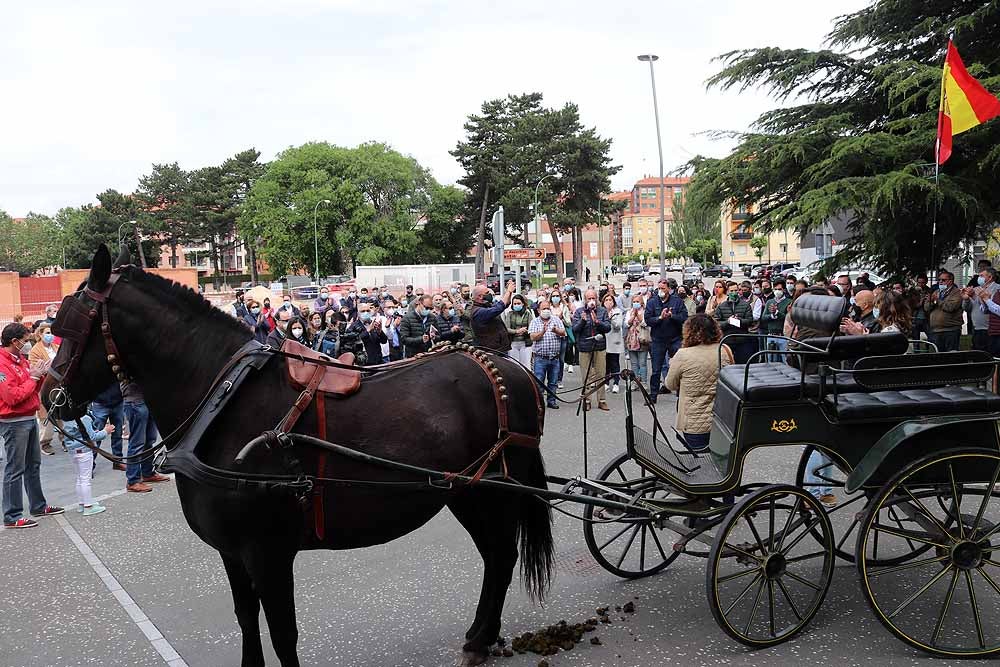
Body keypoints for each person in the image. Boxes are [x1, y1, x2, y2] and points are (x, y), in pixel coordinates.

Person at [0, 323, 63, 528]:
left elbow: (29, 387)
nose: (28, 345)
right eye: (25, 341)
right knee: (15, 469)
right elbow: (12, 396)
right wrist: (33, 378)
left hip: (28, 418)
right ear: (14, 341)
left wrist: (40, 375)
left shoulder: (21, 360)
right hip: (13, 422)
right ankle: (12, 515)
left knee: (33, 466)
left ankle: (38, 505)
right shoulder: (2, 364)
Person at [665, 314, 734, 452]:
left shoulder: (683, 355)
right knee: (719, 463)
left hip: (694, 422)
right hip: (722, 421)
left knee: (699, 464)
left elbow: (670, 384)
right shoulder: (725, 350)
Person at [61, 409, 114, 515]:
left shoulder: (66, 418)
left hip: (73, 451)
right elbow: (92, 437)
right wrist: (106, 431)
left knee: (79, 478)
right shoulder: (85, 418)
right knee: (86, 479)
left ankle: (82, 503)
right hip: (85, 451)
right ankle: (88, 506)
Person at [645, 279, 688, 404]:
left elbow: (684, 318)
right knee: (656, 369)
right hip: (658, 340)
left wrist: (671, 316)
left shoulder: (677, 301)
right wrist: (660, 317)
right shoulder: (652, 302)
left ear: (669, 289)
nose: (661, 291)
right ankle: (653, 396)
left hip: (675, 339)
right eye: (659, 288)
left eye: (663, 288)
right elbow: (648, 319)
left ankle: (681, 395)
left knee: (679, 367)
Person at [121, 380, 170, 493]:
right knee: (137, 442)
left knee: (149, 439)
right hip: (135, 401)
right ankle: (133, 481)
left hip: (145, 400)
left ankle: (148, 473)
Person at [572, 289, 612, 411]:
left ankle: (602, 400)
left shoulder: (602, 311)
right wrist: (583, 321)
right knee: (586, 375)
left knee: (600, 373)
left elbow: (607, 328)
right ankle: (587, 400)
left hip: (599, 346)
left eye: (593, 298)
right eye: (589, 299)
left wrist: (597, 322)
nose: (591, 301)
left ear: (597, 299)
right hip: (584, 347)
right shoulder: (579, 312)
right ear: (585, 300)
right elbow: (575, 329)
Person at [29, 325, 61, 455]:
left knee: (61, 412)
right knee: (46, 414)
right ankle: (45, 442)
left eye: (52, 333)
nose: (50, 335)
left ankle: (65, 438)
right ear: (40, 334)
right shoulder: (35, 350)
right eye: (47, 332)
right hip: (45, 386)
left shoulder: (56, 347)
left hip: (58, 385)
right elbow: (35, 367)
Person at [528, 299, 565, 410]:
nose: (546, 311)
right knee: (539, 381)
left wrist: (555, 330)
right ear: (538, 310)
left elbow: (563, 333)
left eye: (548, 308)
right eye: (543, 309)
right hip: (540, 358)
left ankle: (551, 401)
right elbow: (533, 337)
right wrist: (542, 332)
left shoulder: (556, 319)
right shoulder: (535, 322)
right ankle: (539, 402)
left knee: (553, 381)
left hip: (554, 357)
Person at [713, 283, 755, 364]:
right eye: (731, 291)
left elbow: (750, 321)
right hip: (727, 340)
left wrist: (738, 321)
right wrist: (727, 322)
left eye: (736, 290)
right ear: (728, 292)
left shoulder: (745, 305)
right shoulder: (721, 306)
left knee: (743, 364)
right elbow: (716, 324)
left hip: (742, 340)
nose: (734, 292)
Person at [925, 270, 963, 352]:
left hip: (951, 330)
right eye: (939, 280)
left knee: (951, 355)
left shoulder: (956, 292)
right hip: (936, 330)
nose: (940, 282)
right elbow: (926, 308)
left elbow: (951, 307)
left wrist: (937, 300)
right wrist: (931, 301)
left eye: (943, 280)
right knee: (939, 355)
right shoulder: (936, 292)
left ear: (950, 281)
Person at [470, 282, 514, 353]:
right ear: (480, 296)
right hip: (491, 351)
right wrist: (508, 291)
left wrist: (510, 292)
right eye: (487, 293)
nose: (490, 294)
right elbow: (498, 308)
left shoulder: (486, 306)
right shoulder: (478, 312)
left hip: (500, 349)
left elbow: (505, 304)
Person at [90, 382, 126, 471]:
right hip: (100, 402)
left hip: (117, 402)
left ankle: (118, 461)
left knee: (118, 434)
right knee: (96, 436)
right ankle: (90, 465)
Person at [624, 294, 650, 391]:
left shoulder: (645, 312)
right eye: (634, 302)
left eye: (637, 302)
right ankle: (634, 382)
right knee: (634, 363)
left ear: (642, 303)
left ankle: (643, 382)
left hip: (642, 339)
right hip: (631, 340)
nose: (635, 303)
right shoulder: (629, 312)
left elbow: (645, 324)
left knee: (642, 363)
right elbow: (626, 324)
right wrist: (632, 315)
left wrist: (638, 316)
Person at [762, 284, 791, 362]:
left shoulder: (789, 302)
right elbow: (763, 317)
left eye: (779, 289)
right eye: (775, 289)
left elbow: (788, 318)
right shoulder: (770, 302)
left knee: (786, 360)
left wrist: (777, 312)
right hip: (771, 335)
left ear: (784, 290)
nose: (777, 291)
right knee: (771, 361)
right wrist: (771, 315)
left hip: (783, 336)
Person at [602, 293, 624, 394]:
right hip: (604, 340)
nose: (608, 302)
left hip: (614, 340)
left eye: (610, 300)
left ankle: (616, 382)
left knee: (614, 362)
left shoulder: (618, 312)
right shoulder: (601, 311)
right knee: (606, 363)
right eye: (606, 300)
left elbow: (618, 325)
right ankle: (606, 382)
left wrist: (611, 318)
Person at [505, 294, 533, 367]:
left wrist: (525, 331)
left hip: (525, 343)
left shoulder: (528, 313)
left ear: (523, 304)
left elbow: (531, 328)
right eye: (515, 304)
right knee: (514, 365)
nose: (516, 305)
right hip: (513, 343)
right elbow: (507, 328)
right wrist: (517, 331)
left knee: (526, 365)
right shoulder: (510, 314)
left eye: (518, 303)